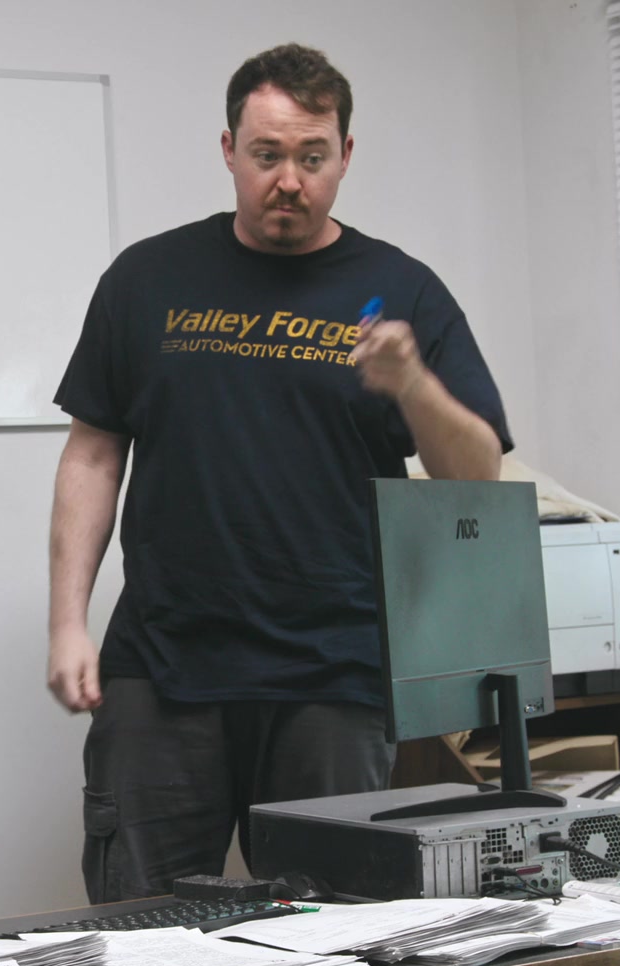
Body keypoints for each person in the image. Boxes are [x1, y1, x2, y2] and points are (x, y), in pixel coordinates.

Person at [47, 43, 513, 903]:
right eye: (267, 155)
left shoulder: (402, 290)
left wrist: (414, 385)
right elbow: (93, 452)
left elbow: (476, 480)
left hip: (333, 673)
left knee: (333, 938)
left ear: (345, 154)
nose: (289, 181)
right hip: (164, 664)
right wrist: (67, 622)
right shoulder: (146, 280)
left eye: (311, 156)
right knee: (140, 929)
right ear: (229, 150)